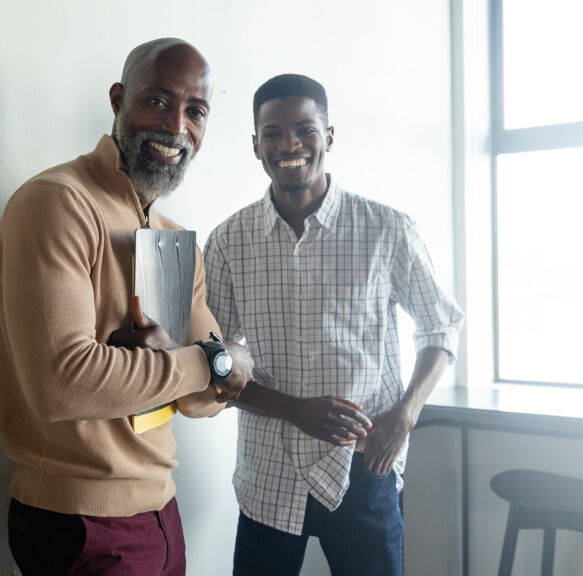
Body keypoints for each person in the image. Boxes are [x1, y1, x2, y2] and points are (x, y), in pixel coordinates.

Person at [0, 38, 253, 576]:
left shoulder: (177, 239)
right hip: (79, 521)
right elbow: (61, 383)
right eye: (158, 101)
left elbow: (208, 401)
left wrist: (199, 369)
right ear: (118, 99)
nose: (177, 128)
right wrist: (209, 359)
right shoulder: (57, 202)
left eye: (196, 111)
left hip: (162, 512)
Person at [203, 74, 464, 576]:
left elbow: (441, 327)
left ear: (329, 136)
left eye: (304, 129)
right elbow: (210, 360)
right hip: (268, 472)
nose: (289, 145)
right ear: (255, 145)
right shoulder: (229, 240)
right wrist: (292, 409)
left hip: (365, 467)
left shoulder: (387, 229)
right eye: (273, 133)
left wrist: (405, 415)